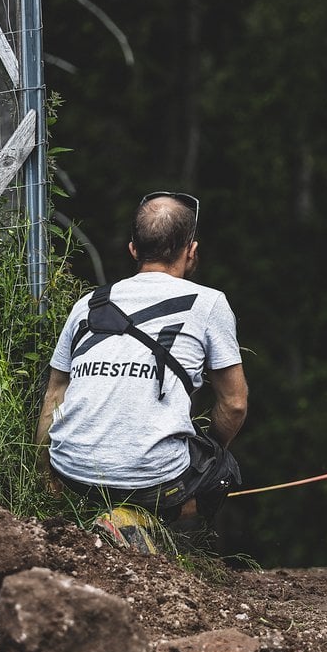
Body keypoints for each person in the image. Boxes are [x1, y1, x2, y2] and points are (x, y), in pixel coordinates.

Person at [35, 191, 248, 546]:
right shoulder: (208, 303)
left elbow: (54, 393)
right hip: (154, 478)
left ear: (133, 250)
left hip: (70, 470)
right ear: (191, 251)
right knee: (222, 472)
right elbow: (235, 404)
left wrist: (46, 473)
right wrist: (210, 453)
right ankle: (138, 524)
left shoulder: (88, 303)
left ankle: (104, 520)